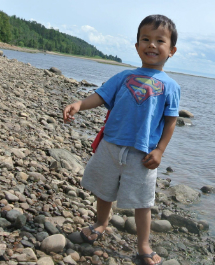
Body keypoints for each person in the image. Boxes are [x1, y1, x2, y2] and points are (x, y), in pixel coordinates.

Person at [63, 14, 180, 265]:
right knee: (104, 191)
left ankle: (144, 245)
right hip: (111, 145)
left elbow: (171, 122)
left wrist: (160, 150)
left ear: (172, 50)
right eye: (145, 39)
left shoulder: (170, 86)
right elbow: (100, 96)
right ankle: (101, 223)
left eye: (160, 41)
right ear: (137, 46)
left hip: (142, 153)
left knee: (142, 201)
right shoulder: (123, 77)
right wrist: (78, 104)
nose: (151, 45)